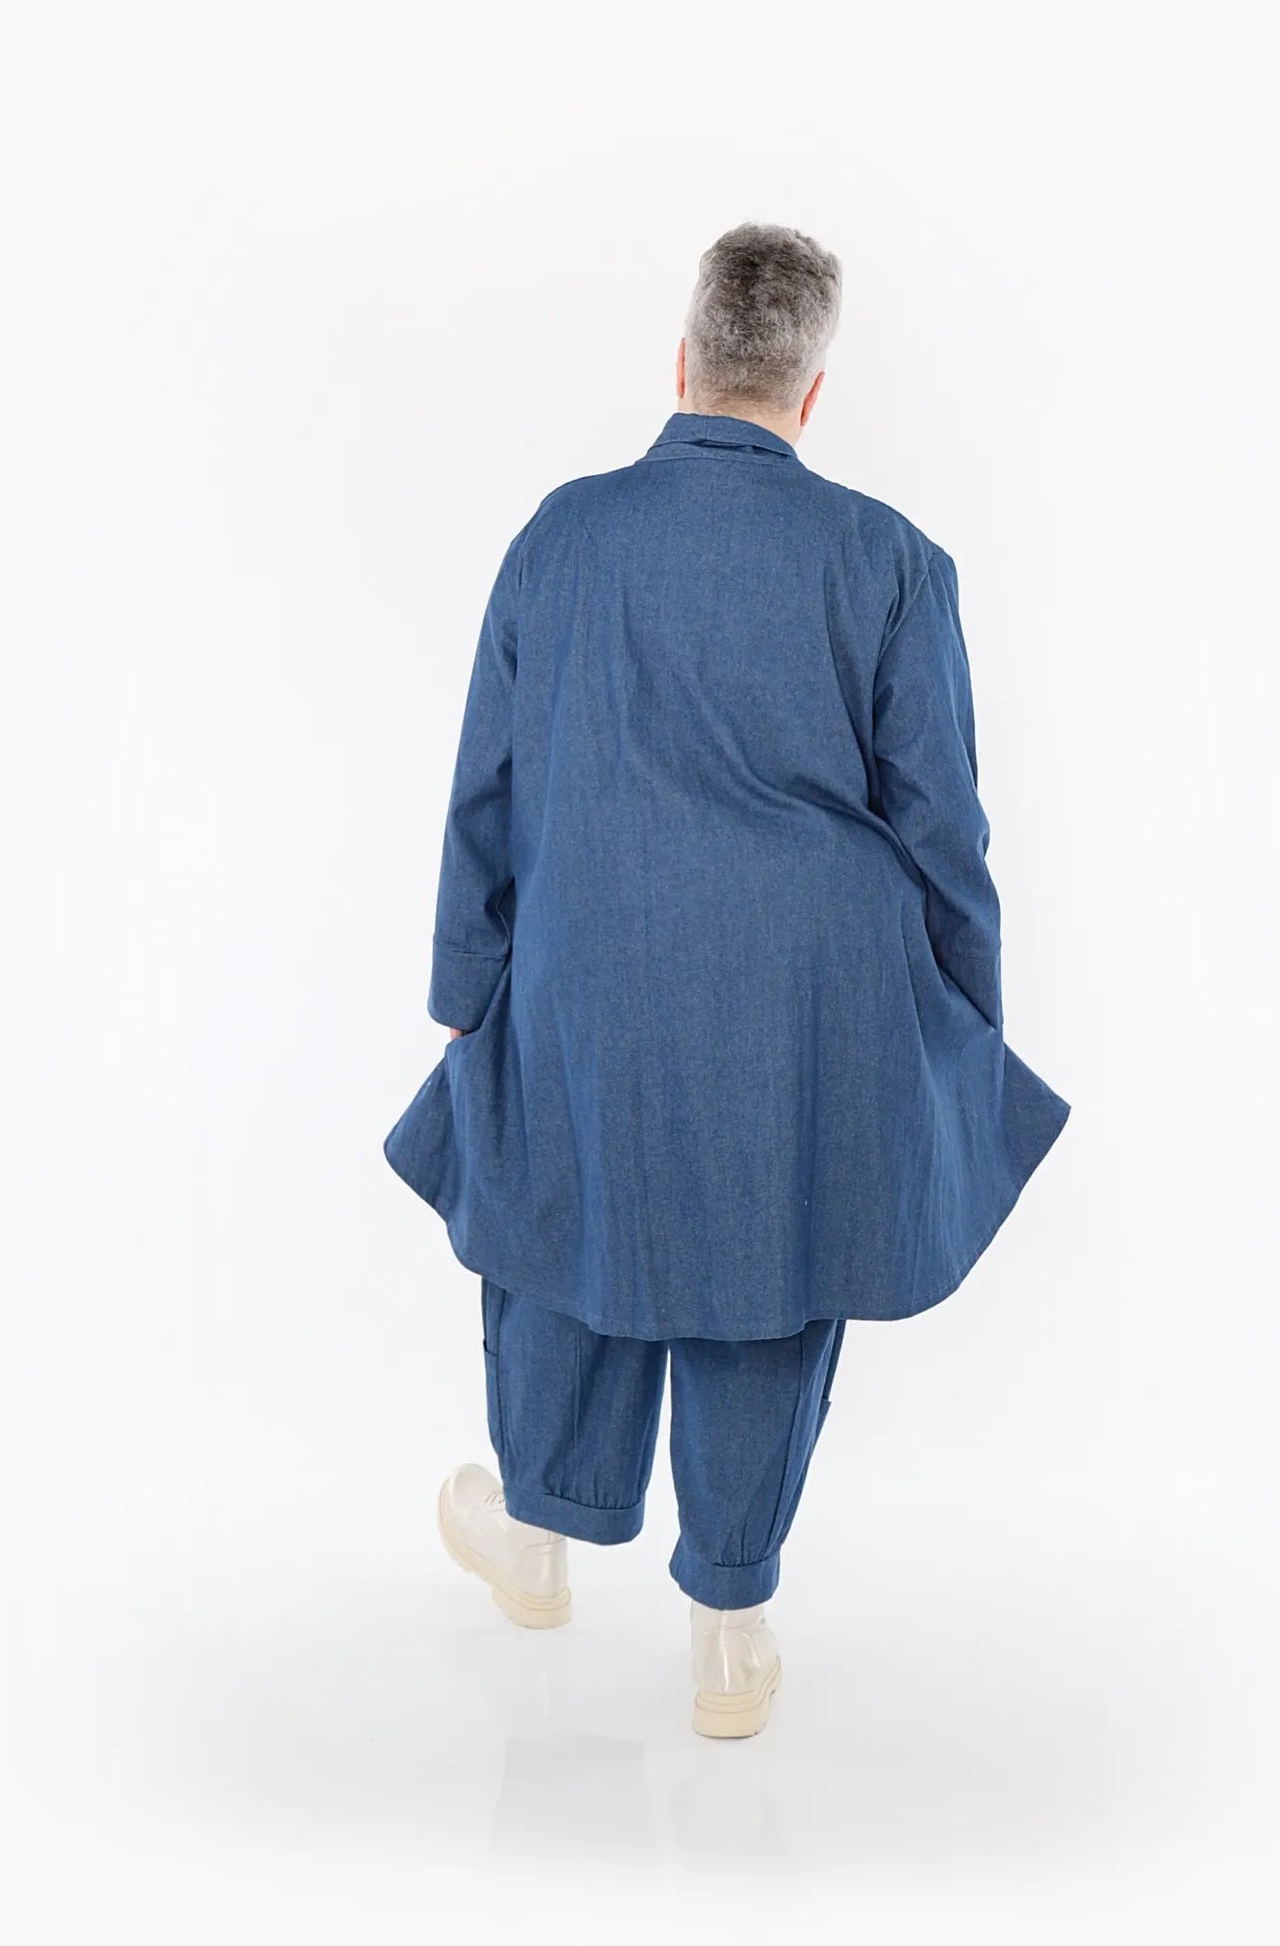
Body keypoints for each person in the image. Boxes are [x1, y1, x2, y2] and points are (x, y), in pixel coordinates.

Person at [385, 222, 1070, 1737]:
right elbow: (942, 821)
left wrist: (466, 978)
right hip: (812, 990)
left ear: (683, 359)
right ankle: (730, 1629)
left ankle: (538, 1541)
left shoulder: (560, 537)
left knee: (558, 1221)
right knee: (771, 1262)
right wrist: (968, 1002)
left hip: (591, 961)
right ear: (810, 392)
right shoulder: (892, 561)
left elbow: (487, 783)